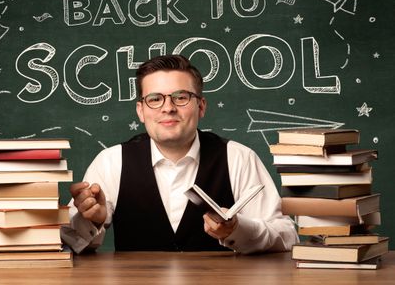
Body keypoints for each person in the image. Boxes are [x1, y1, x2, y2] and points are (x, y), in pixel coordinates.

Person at [61, 54, 298, 253]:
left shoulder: (238, 157)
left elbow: (286, 236)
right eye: (155, 99)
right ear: (141, 111)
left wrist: (237, 229)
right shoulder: (111, 162)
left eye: (181, 97)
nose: (168, 107)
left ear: (201, 106)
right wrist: (93, 220)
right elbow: (71, 242)